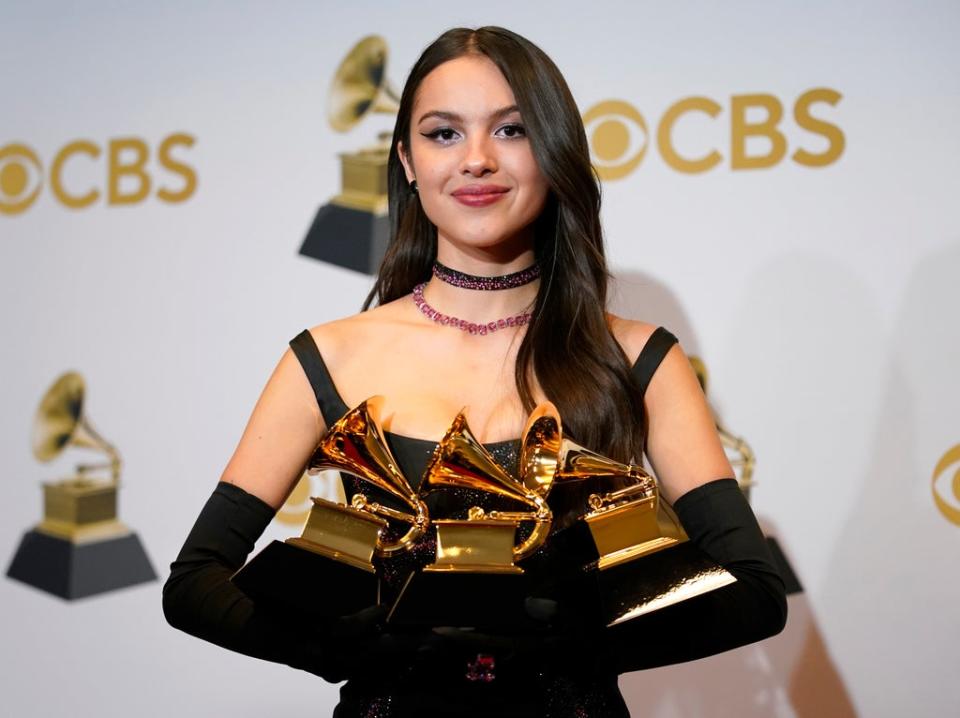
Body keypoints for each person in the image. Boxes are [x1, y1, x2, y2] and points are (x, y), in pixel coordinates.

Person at [162, 26, 787, 718]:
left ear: (554, 153)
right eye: (443, 134)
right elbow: (194, 583)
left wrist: (577, 643)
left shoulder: (638, 360)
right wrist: (345, 651)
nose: (478, 160)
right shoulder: (328, 356)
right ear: (405, 160)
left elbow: (753, 592)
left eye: (512, 130)